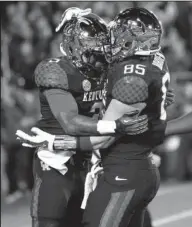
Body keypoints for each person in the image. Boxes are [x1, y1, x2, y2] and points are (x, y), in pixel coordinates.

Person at [17, 8, 173, 227]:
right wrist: (116, 125)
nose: (100, 60)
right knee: (49, 221)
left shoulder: (115, 68)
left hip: (94, 159)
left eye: (103, 52)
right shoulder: (57, 71)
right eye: (93, 54)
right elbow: (70, 122)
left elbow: (158, 95)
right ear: (75, 49)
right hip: (59, 160)